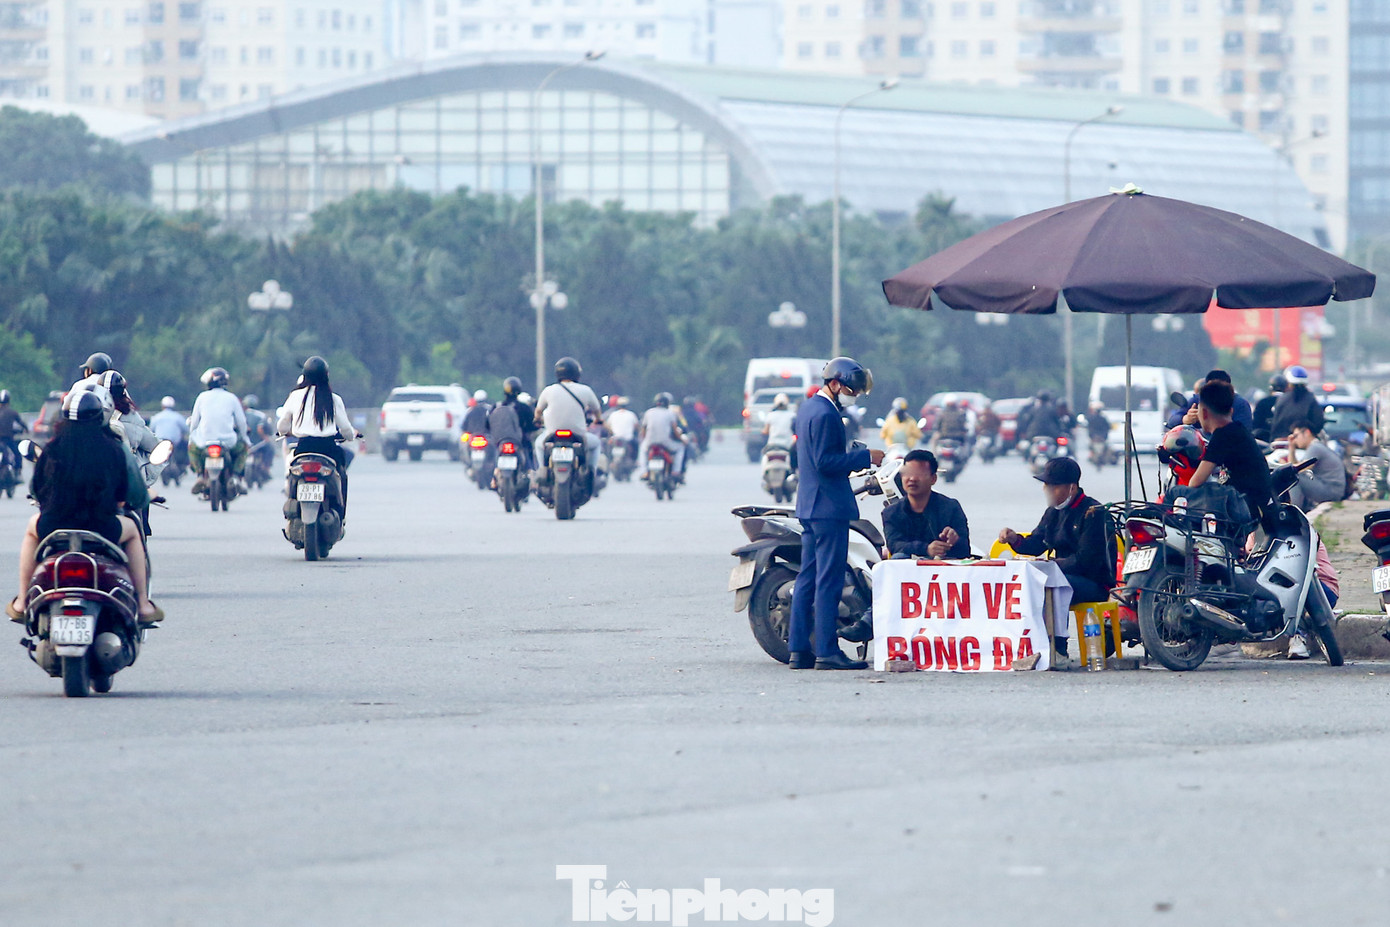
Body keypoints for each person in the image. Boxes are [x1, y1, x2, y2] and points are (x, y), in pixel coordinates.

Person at [9, 392, 160, 625]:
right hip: (102, 527)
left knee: (31, 528)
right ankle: (142, 603)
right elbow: (136, 495)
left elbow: (37, 489)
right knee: (132, 530)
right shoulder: (115, 449)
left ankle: (21, 602)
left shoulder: (52, 449)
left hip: (55, 526)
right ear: (101, 418)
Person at [789, 357, 884, 671]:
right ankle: (827, 651)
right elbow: (826, 462)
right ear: (834, 383)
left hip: (810, 505)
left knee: (807, 579)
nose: (853, 395)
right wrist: (864, 456)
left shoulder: (808, 408)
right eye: (851, 389)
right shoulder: (827, 414)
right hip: (828, 507)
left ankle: (799, 650)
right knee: (828, 580)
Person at [998, 457, 1116, 659]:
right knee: (1028, 585)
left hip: (1093, 582)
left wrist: (1051, 566)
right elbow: (1036, 544)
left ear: (1072, 487)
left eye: (1053, 486)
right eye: (1046, 485)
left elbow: (1086, 561)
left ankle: (1057, 648)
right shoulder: (1053, 512)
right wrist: (1014, 539)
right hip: (1061, 575)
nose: (1047, 490)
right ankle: (1030, 645)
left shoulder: (1094, 513)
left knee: (1053, 586)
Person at [1188, 379, 1272, 529]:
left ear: (1204, 413)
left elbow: (1195, 482)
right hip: (1251, 502)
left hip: (1243, 506)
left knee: (1177, 493)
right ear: (1231, 411)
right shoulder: (1236, 429)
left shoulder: (1223, 435)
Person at [276, 356, 357, 512]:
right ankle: (341, 513)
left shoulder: (295, 396)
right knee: (342, 475)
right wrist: (351, 436)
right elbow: (346, 430)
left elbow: (282, 425)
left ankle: (292, 506)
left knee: (291, 473)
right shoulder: (334, 399)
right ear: (326, 376)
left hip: (303, 448)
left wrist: (283, 432)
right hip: (328, 450)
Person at [533, 357, 605, 484]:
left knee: (539, 445)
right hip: (578, 434)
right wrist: (598, 420)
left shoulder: (549, 390)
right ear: (577, 373)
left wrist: (538, 420)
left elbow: (538, 411)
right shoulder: (585, 390)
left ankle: (542, 469)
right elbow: (597, 410)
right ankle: (591, 473)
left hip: (552, 434)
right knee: (596, 444)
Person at [188, 367, 249, 492]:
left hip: (204, 440)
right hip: (228, 441)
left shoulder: (202, 397)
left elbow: (194, 422)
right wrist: (245, 437)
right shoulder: (232, 398)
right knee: (243, 448)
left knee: (192, 449)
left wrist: (191, 436)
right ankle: (236, 476)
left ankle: (199, 475)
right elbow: (242, 422)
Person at [1287, 421, 1346, 511]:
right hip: (1331, 489)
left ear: (1307, 432)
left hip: (1330, 490)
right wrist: (1291, 448)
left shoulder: (1315, 447)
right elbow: (1295, 467)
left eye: (1296, 436)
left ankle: (1293, 509)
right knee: (1293, 474)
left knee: (1293, 477)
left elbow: (1301, 470)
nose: (1295, 440)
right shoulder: (1317, 446)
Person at [1169, 370, 1254, 431]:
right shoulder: (1197, 400)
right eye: (1212, 388)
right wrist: (1185, 419)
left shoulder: (1240, 404)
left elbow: (1244, 430)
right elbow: (1172, 421)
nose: (1216, 391)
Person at [639, 392, 687, 482]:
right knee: (680, 448)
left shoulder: (649, 412)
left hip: (650, 442)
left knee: (642, 450)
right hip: (666, 442)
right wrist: (682, 440)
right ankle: (676, 471)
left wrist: (644, 439)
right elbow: (675, 430)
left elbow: (643, 430)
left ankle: (644, 472)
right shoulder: (670, 413)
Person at [1270, 365, 1326, 440]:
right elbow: (1318, 422)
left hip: (1279, 441)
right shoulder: (1310, 399)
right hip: (1304, 443)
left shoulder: (1282, 399)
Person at [149, 395, 190, 473]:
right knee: (185, 446)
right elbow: (186, 429)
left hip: (160, 441)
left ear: (162, 406)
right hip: (174, 442)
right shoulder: (178, 417)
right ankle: (184, 464)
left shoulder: (156, 417)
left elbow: (151, 429)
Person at [604, 395, 640, 463]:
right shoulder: (631, 414)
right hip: (628, 439)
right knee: (636, 444)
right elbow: (636, 427)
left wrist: (611, 432)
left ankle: (609, 461)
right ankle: (635, 461)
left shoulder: (613, 414)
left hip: (615, 438)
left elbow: (607, 425)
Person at [1252, 374, 1286, 442]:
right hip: (1285, 441)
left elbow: (1255, 425)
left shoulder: (1262, 402)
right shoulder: (1290, 402)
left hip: (1264, 441)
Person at [0, 389, 28, 471]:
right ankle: (17, 471)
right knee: (17, 454)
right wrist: (26, 429)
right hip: (8, 439)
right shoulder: (12, 412)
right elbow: (21, 423)